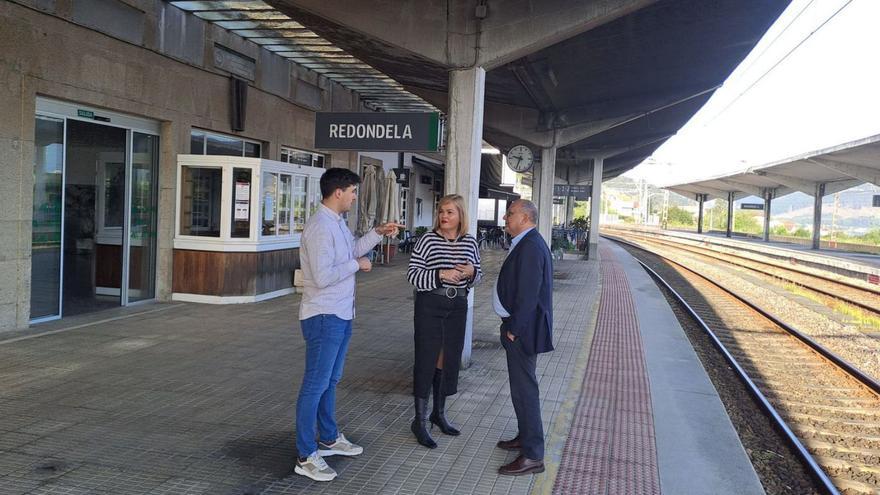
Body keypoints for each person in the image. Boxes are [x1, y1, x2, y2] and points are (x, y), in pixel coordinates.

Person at [295, 167, 403, 482]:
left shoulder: (337, 224)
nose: (355, 197)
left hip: (341, 314)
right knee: (315, 384)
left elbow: (353, 250)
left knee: (330, 381)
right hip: (323, 315)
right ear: (338, 191)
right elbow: (323, 275)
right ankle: (306, 455)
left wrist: (376, 234)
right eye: (353, 191)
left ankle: (328, 438)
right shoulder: (319, 228)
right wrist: (358, 265)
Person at [406, 194, 482, 449]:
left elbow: (478, 274)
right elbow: (414, 275)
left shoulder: (470, 241)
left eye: (450, 212)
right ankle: (419, 420)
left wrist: (472, 273)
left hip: (458, 306)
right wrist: (440, 274)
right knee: (426, 360)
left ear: (460, 215)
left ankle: (438, 414)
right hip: (430, 305)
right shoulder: (427, 240)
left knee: (447, 359)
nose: (444, 216)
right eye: (441, 211)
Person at [494, 199, 554, 476]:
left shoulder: (530, 246)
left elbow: (529, 295)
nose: (506, 217)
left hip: (522, 331)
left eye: (511, 213)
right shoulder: (527, 242)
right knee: (522, 389)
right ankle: (525, 436)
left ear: (526, 217)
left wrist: (514, 329)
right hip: (520, 328)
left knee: (525, 390)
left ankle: (532, 455)